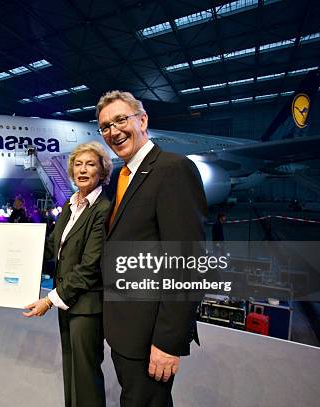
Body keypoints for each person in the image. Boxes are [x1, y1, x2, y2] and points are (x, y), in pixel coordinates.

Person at [97, 91, 207, 406]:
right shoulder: (122, 174)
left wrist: (169, 342)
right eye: (105, 126)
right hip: (124, 327)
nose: (113, 131)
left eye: (120, 120)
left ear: (142, 120)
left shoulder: (173, 169)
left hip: (150, 334)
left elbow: (187, 261)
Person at [22, 141, 112, 407]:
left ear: (102, 172)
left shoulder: (103, 210)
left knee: (86, 374)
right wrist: (5, 262)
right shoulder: (69, 207)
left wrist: (49, 300)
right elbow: (50, 247)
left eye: (90, 164)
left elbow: (90, 266)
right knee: (71, 368)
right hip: (67, 301)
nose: (83, 170)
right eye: (78, 164)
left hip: (87, 306)